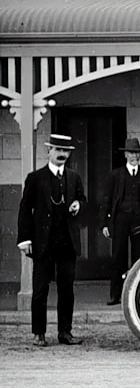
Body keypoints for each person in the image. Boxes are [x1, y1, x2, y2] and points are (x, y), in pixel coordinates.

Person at [16, 133, 87, 346]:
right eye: (58, 150)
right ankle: (39, 333)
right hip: (43, 243)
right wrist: (24, 240)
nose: (62, 154)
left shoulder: (74, 177)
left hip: (67, 242)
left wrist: (78, 205)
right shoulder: (35, 178)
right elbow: (24, 209)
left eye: (65, 151)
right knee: (40, 290)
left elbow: (83, 201)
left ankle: (65, 332)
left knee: (67, 290)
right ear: (49, 151)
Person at [101, 137, 140, 306]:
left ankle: (139, 294)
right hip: (120, 220)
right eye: (131, 153)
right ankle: (115, 295)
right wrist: (105, 223)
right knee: (118, 258)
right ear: (125, 155)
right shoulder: (116, 174)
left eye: (136, 153)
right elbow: (107, 200)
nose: (134, 156)